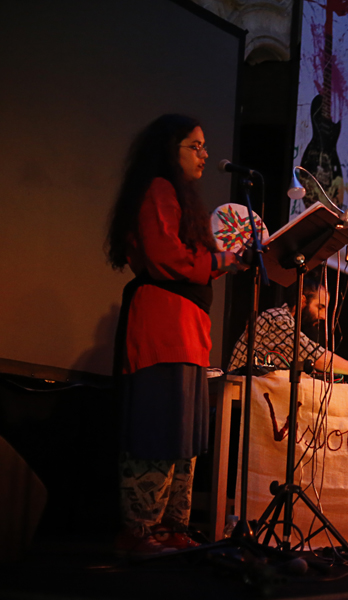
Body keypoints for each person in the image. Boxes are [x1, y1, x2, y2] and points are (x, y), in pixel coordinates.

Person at [106, 114, 246, 556]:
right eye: (195, 146)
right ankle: (140, 532)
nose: (205, 154)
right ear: (171, 149)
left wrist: (224, 260)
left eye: (204, 146)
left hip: (186, 329)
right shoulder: (158, 189)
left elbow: (191, 259)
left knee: (184, 436)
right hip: (162, 327)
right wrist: (221, 261)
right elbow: (167, 256)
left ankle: (172, 528)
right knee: (159, 428)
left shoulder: (177, 196)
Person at [228, 272, 348, 385]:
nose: (324, 316)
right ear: (302, 300)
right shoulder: (278, 318)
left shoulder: (289, 324)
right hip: (236, 399)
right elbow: (316, 356)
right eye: (320, 307)